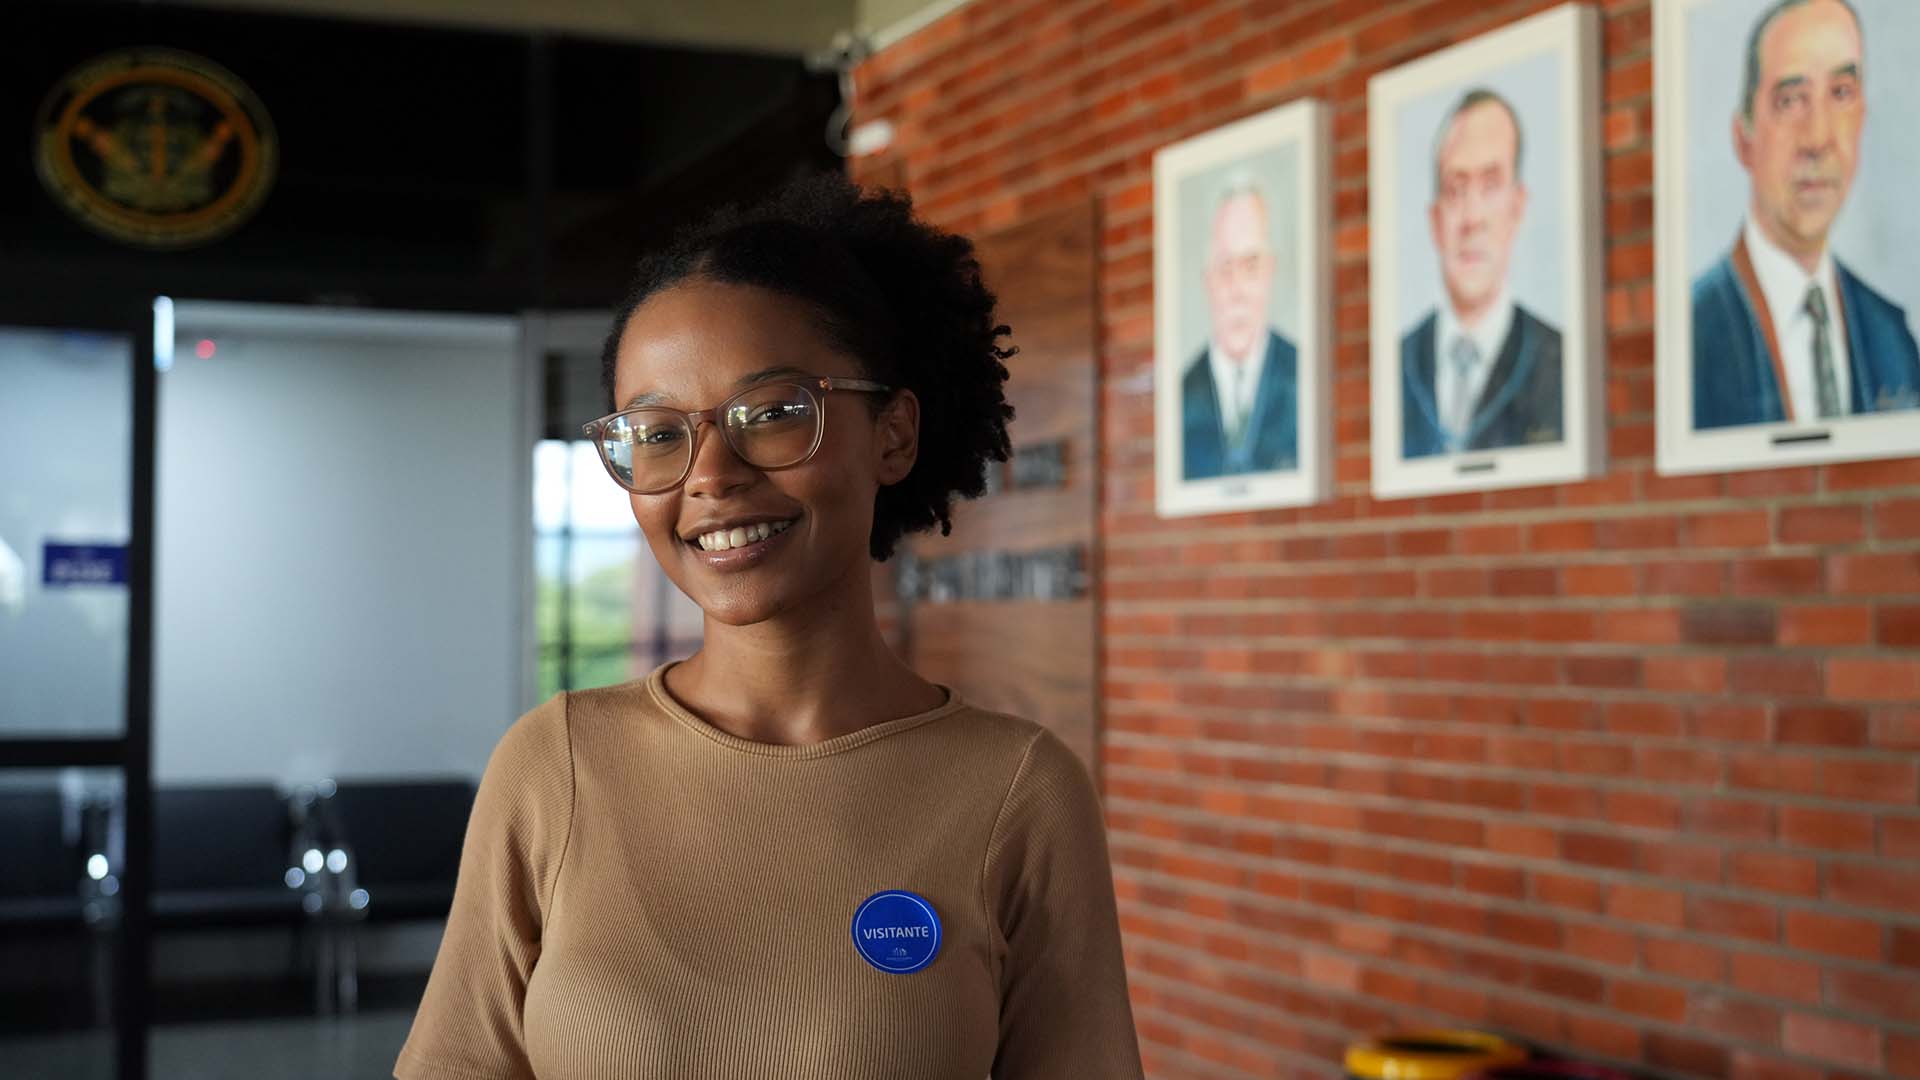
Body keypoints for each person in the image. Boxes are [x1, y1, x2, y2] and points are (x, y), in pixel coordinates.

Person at [393, 173, 1144, 1079]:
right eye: (659, 433)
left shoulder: (1019, 792)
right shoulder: (554, 765)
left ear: (893, 436)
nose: (709, 473)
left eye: (775, 413)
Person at [1691, 0, 1920, 429]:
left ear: (1863, 118)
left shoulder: (1892, 337)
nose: (1818, 138)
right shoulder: (1692, 335)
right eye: (1791, 100)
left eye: (1840, 94)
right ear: (1744, 138)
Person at [1400, 88, 1563, 458]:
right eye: (1456, 190)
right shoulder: (1399, 365)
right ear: (1435, 219)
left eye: (1490, 186)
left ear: (1517, 206)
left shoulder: (1559, 363)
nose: (1472, 218)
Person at [1180, 178, 1298, 479]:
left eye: (1251, 266)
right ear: (1208, 280)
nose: (1237, 290)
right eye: (1226, 268)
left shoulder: (1297, 374)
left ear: (1270, 270)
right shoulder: (1183, 392)